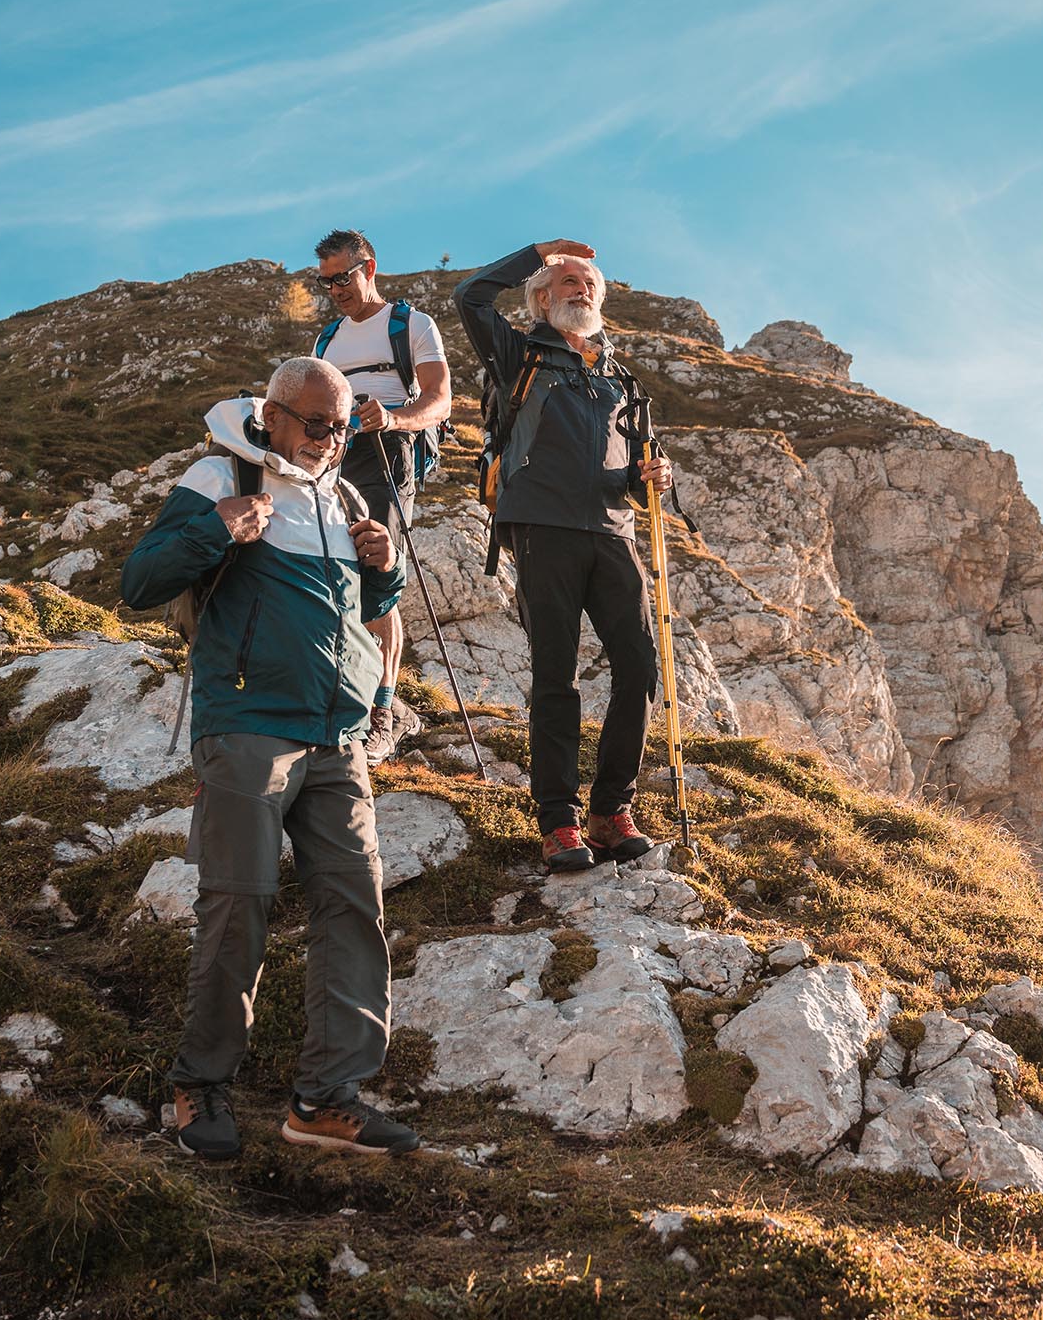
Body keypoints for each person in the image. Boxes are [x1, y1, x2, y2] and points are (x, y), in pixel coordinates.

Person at [119, 357, 420, 1159]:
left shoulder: (345, 496)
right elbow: (140, 580)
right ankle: (199, 1087)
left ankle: (326, 1099)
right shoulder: (220, 471)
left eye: (344, 424)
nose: (330, 439)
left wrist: (382, 572)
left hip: (337, 738)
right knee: (238, 902)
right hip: (248, 722)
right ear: (276, 414)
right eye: (317, 423)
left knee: (355, 906)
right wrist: (215, 529)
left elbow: (365, 614)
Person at [453, 239, 673, 873]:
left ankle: (610, 812)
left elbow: (634, 468)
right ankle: (558, 821)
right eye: (570, 282)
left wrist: (652, 475)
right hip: (540, 526)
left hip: (613, 531)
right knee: (557, 674)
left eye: (592, 286)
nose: (585, 291)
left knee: (638, 668)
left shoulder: (619, 377)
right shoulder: (517, 354)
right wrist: (538, 253)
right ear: (543, 297)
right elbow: (468, 295)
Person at [308, 229, 454, 766]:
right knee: (328, 569)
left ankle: (382, 712)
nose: (335, 290)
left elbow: (440, 399)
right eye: (325, 283)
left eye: (342, 278)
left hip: (388, 452)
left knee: (376, 570)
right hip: (331, 456)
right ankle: (343, 691)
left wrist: (393, 418)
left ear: (369, 267)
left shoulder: (411, 324)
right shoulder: (325, 342)